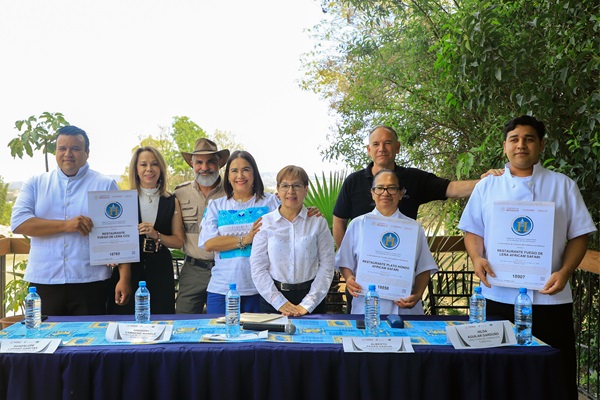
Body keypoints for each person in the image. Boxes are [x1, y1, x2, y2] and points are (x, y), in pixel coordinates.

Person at [458, 115, 596, 400]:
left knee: (553, 373)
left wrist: (566, 271)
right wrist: (476, 258)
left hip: (550, 296)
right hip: (498, 295)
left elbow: (580, 235)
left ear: (541, 145)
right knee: (497, 371)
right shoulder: (486, 187)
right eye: (514, 139)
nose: (521, 145)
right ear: (505, 146)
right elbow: (472, 231)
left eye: (529, 139)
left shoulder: (563, 185)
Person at [10, 125, 131, 316]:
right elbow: (18, 223)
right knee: (44, 340)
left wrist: (124, 278)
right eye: (62, 148)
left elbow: (121, 233)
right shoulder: (36, 183)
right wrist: (66, 225)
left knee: (90, 342)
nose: (68, 154)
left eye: (75, 148)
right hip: (44, 280)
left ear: (87, 152)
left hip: (90, 281)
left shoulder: (105, 184)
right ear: (55, 152)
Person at [333, 125, 500, 247]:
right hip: (362, 269)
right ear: (369, 150)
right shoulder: (353, 181)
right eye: (376, 144)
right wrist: (347, 261)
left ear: (397, 147)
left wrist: (486, 182)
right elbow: (339, 222)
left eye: (388, 143)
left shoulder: (413, 178)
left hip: (401, 266)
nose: (381, 149)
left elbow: (452, 189)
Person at [336, 169, 438, 315]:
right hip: (367, 308)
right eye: (379, 188)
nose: (385, 193)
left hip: (404, 308)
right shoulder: (357, 224)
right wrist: (349, 278)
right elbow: (345, 262)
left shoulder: (413, 228)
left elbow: (424, 268)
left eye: (391, 188)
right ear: (372, 193)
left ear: (401, 193)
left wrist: (417, 295)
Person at [198, 151, 280, 314]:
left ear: (254, 173)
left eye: (246, 169)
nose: (240, 175)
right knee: (220, 337)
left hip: (261, 290)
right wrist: (245, 239)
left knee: (258, 338)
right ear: (228, 176)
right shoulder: (216, 206)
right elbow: (209, 244)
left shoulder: (271, 203)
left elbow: (293, 222)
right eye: (234, 170)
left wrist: (310, 212)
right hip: (222, 290)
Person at [107, 146, 184, 315]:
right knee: (124, 319)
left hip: (160, 269)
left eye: (154, 164)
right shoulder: (124, 199)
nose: (149, 169)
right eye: (143, 165)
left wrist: (157, 235)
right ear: (136, 169)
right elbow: (114, 238)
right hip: (129, 269)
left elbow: (178, 241)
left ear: (161, 169)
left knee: (161, 318)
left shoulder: (171, 200)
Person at [250, 165, 335, 316]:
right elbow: (258, 268)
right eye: (285, 186)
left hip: (312, 298)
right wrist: (279, 302)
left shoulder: (317, 222)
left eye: (297, 185)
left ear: (306, 189)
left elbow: (327, 265)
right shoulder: (265, 223)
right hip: (273, 300)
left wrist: (308, 304)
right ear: (278, 190)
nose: (291, 191)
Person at [174, 138, 230, 314]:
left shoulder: (233, 192)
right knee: (184, 321)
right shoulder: (180, 193)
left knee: (225, 323)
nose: (204, 167)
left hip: (226, 269)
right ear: (192, 164)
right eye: (199, 162)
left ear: (220, 163)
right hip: (193, 270)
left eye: (210, 162)